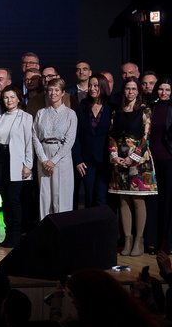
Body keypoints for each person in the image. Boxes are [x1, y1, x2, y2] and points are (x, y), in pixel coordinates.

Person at [108, 77, 158, 256]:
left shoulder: (144, 110)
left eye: (133, 89)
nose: (130, 92)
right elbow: (112, 136)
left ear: (138, 91)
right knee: (123, 200)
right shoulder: (117, 112)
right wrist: (115, 155)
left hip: (139, 161)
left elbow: (146, 136)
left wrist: (134, 157)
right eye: (127, 89)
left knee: (137, 200)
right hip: (120, 161)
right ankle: (127, 240)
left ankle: (139, 240)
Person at [0, 86, 34, 248]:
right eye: (6, 97)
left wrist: (28, 165)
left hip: (16, 161)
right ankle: (8, 234)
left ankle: (16, 234)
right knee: (5, 200)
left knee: (14, 199)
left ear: (19, 99)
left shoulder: (26, 117)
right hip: (0, 160)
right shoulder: (0, 118)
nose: (9, 100)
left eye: (12, 97)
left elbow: (30, 143)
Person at [33, 78, 78, 218]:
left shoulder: (70, 114)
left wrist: (54, 161)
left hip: (62, 157)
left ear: (63, 92)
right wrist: (44, 160)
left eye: (56, 90)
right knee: (44, 195)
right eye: (50, 90)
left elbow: (69, 141)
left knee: (62, 196)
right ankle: (45, 232)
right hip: (44, 155)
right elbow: (35, 136)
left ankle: (63, 233)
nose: (53, 93)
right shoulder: (41, 113)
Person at [72, 74, 113, 209]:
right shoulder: (83, 105)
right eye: (90, 85)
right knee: (89, 198)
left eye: (95, 85)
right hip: (86, 161)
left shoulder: (111, 106)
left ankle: (102, 229)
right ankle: (90, 229)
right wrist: (77, 159)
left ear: (103, 86)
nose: (92, 88)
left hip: (105, 160)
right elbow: (76, 134)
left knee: (101, 198)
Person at [152, 77, 171, 254]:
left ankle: (166, 243)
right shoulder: (151, 107)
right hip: (151, 161)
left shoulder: (171, 109)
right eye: (161, 89)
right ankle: (154, 241)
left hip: (168, 160)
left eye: (167, 90)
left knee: (167, 202)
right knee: (154, 202)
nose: (163, 93)